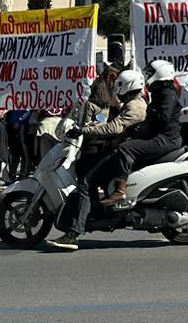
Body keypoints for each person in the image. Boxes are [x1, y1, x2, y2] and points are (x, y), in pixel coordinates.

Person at [49, 68, 149, 249]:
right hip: (105, 146)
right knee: (87, 178)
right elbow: (106, 123)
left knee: (86, 183)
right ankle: (93, 214)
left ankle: (74, 232)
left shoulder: (128, 106)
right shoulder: (121, 105)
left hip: (101, 148)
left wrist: (84, 128)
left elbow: (111, 127)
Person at [97, 60, 184, 207]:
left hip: (166, 139)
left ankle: (120, 191)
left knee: (126, 148)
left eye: (151, 73)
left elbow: (163, 118)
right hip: (161, 137)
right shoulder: (159, 92)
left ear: (160, 73)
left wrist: (148, 111)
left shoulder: (166, 92)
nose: (147, 75)